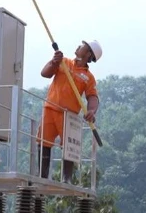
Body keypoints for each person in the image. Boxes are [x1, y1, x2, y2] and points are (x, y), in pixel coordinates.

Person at [37, 39, 102, 183]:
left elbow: (92, 96)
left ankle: (66, 178)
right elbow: (45, 73)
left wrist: (91, 110)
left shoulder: (89, 78)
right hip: (50, 108)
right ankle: (42, 174)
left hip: (68, 115)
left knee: (68, 146)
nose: (78, 46)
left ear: (88, 53)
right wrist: (54, 62)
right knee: (43, 142)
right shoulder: (63, 62)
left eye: (82, 46)